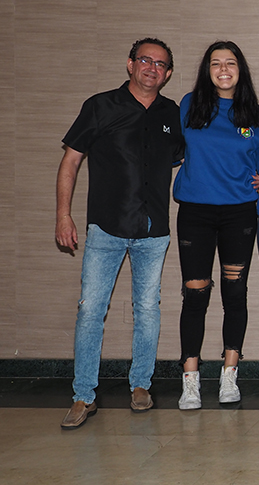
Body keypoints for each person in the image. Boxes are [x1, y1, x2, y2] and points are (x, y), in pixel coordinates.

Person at [56, 38, 183, 429]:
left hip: (153, 230)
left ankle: (141, 385)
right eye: (145, 60)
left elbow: (184, 159)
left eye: (160, 64)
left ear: (168, 73)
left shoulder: (171, 113)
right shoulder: (100, 106)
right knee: (90, 310)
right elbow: (71, 162)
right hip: (106, 227)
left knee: (147, 310)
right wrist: (64, 215)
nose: (152, 68)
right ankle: (83, 395)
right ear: (130, 64)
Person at [174, 41, 259, 410]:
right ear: (207, 69)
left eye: (230, 63)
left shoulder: (254, 114)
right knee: (195, 294)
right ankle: (191, 379)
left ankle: (230, 376)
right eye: (216, 63)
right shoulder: (189, 105)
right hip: (195, 212)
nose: (223, 69)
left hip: (239, 213)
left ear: (240, 69)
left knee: (235, 294)